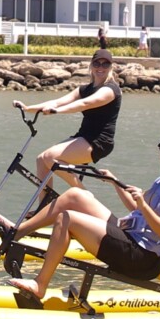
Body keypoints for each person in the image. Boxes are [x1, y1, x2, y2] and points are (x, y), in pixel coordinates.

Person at [0, 131, 160, 305]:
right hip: (130, 234)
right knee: (76, 195)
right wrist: (114, 182)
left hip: (140, 257)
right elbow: (135, 207)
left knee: (67, 218)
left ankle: (40, 285)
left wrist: (143, 205)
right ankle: (17, 233)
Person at [12, 49, 121, 212]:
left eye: (105, 63)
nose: (101, 67)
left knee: (51, 157)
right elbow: (58, 101)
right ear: (91, 66)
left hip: (99, 141)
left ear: (111, 67)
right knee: (41, 160)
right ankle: (44, 208)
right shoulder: (85, 89)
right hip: (83, 136)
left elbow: (85, 104)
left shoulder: (110, 90)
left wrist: (57, 112)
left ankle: (85, 196)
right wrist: (28, 108)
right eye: (97, 63)